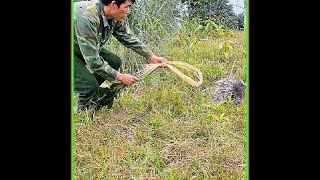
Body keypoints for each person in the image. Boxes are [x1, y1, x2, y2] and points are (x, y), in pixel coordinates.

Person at [74, 0, 168, 111]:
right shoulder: (86, 17)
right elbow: (93, 62)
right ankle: (82, 115)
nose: (128, 11)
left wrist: (152, 57)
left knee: (114, 61)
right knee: (89, 86)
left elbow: (127, 37)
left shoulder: (114, 15)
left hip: (81, 45)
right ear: (114, 4)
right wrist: (120, 76)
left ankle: (91, 94)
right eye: (127, 7)